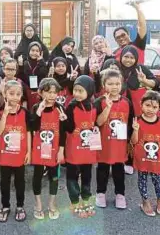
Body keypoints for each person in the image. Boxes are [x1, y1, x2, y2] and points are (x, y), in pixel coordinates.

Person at [94, 69, 134, 209]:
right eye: (110, 84)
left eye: (117, 83)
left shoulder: (127, 102)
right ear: (104, 85)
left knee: (119, 170)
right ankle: (100, 193)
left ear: (122, 84)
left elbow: (130, 124)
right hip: (104, 144)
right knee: (102, 170)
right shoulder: (99, 102)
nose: (114, 87)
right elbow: (98, 122)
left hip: (120, 145)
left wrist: (130, 143)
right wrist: (107, 108)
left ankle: (120, 194)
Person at [130, 91, 160, 217]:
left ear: (159, 108)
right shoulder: (137, 120)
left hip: (157, 161)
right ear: (141, 104)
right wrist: (135, 130)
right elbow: (133, 141)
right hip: (141, 159)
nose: (150, 109)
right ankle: (145, 202)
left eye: (154, 107)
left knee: (158, 181)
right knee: (142, 180)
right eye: (147, 105)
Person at [119, 45, 160, 175]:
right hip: (121, 108)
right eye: (126, 56)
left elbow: (156, 83)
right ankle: (127, 161)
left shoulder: (141, 69)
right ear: (121, 56)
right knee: (124, 135)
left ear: (136, 59)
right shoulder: (116, 67)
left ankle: (150, 162)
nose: (128, 60)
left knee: (142, 135)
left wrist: (145, 81)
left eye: (132, 57)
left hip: (138, 108)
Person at [30, 78, 67, 220]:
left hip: (55, 148)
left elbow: (64, 132)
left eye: (54, 92)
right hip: (39, 148)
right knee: (38, 175)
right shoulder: (35, 107)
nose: (51, 96)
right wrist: (38, 113)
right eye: (48, 92)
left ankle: (52, 203)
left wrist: (61, 151)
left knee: (54, 175)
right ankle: (38, 203)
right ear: (40, 93)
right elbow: (32, 128)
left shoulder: (59, 107)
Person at [0, 80, 31, 223]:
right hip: (5, 154)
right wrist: (4, 115)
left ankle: (20, 206)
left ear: (22, 95)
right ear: (5, 94)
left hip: (20, 154)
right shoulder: (0, 112)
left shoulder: (25, 112)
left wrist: (29, 152)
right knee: (4, 182)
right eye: (11, 94)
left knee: (20, 182)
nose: (15, 97)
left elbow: (28, 133)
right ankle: (5, 206)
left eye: (18, 94)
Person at [64, 75, 98, 218]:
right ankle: (74, 200)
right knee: (72, 175)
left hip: (88, 148)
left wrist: (95, 128)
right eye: (75, 90)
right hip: (73, 148)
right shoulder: (71, 107)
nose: (76, 94)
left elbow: (95, 123)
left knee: (87, 175)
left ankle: (85, 198)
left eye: (80, 91)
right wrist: (64, 120)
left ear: (89, 91)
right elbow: (69, 128)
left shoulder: (93, 105)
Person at [18, 41, 48, 109]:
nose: (34, 53)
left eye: (37, 51)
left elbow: (43, 75)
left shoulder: (42, 63)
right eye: (32, 50)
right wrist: (20, 66)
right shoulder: (25, 62)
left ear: (40, 52)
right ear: (29, 51)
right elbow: (21, 77)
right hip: (27, 91)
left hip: (39, 92)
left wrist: (41, 61)